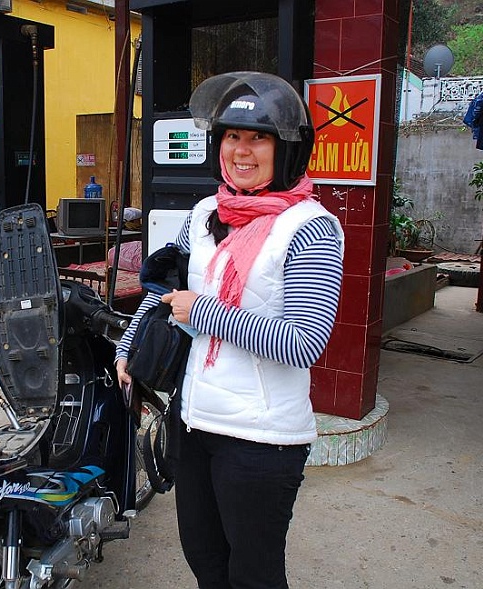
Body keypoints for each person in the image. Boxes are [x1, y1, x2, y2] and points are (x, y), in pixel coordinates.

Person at [115, 72, 344, 589]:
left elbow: (305, 341)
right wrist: (129, 347)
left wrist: (205, 313)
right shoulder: (203, 213)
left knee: (254, 574)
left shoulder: (311, 225)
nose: (242, 150)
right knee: (205, 560)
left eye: (258, 137)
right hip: (196, 426)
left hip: (262, 440)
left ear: (286, 148)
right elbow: (163, 288)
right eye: (232, 136)